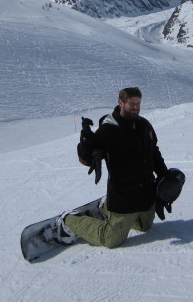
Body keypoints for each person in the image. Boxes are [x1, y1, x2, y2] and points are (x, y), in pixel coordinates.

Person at [58, 87, 170, 249]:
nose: (136, 107)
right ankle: (69, 219)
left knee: (144, 227)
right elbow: (87, 159)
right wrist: (85, 142)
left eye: (138, 103)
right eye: (132, 103)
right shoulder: (109, 130)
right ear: (120, 102)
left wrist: (163, 176)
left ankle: (105, 205)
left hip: (146, 194)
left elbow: (154, 152)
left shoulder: (144, 125)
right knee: (111, 240)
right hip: (124, 196)